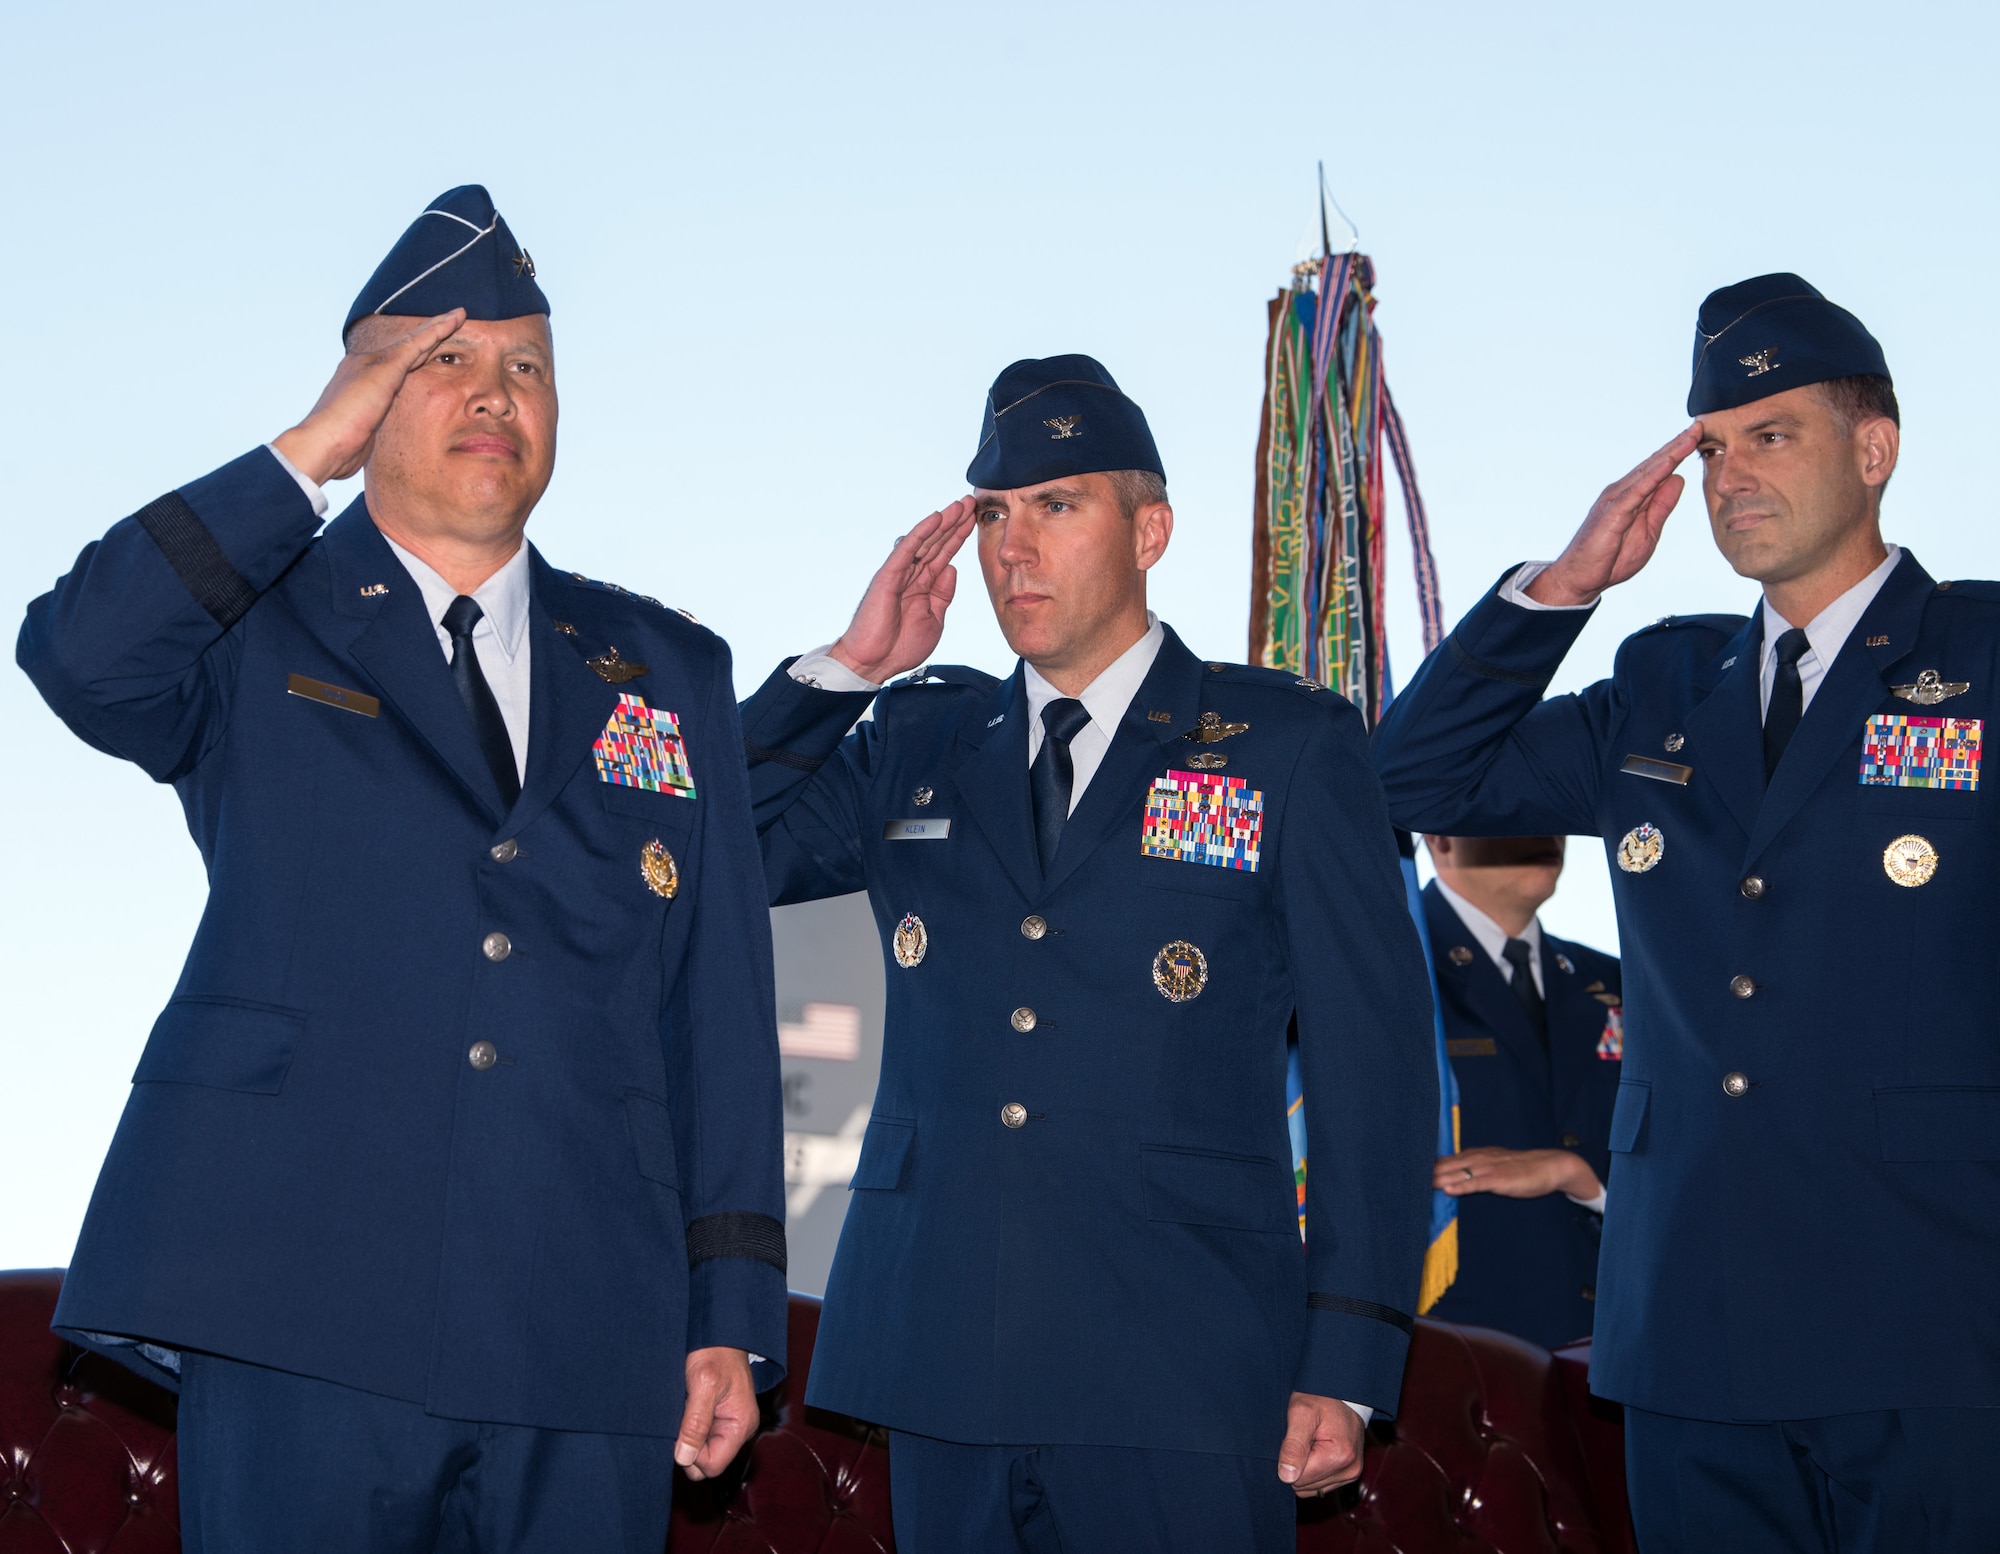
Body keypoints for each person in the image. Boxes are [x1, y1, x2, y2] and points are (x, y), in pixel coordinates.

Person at [16, 185, 787, 1553]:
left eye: (527, 365)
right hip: (299, 1294)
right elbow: (79, 656)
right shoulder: (258, 617)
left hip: (584, 1321)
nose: (497, 391)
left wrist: (726, 1315)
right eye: (443, 358)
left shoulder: (667, 670)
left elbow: (715, 1017)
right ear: (366, 390)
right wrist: (306, 451)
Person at [737, 354, 1437, 1553]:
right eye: (996, 516)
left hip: (1180, 1355)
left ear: (1149, 529)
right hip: (943, 1340)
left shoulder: (1284, 746)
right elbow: (707, 851)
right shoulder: (915, 739)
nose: (1014, 549)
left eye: (1056, 507)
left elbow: (1371, 1069)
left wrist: (1350, 1350)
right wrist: (849, 670)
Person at [1371, 273, 2000, 1552]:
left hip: (1929, 1321)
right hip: (1692, 1335)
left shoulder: (1980, 659)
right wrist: (1562, 587)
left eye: (1771, 434)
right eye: (1711, 446)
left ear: (1872, 450)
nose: (1729, 476)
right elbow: (1407, 780)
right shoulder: (1664, 680)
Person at [1422, 834, 1623, 1350]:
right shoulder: (1380, 970)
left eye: (1551, 815)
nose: (1544, 833)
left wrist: (1584, 1178)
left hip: (1617, 1347)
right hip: (1450, 1357)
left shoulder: (1618, 983)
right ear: (1439, 837)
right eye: (1511, 816)